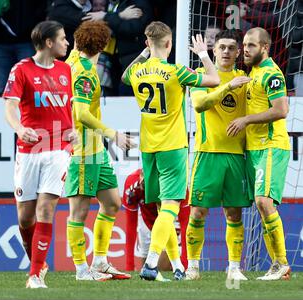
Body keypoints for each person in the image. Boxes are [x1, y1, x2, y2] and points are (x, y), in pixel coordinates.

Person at [122, 21, 220, 281]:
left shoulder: (137, 72)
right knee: (170, 206)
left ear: (146, 43)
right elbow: (214, 79)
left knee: (160, 208)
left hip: (148, 148)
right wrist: (202, 54)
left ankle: (177, 266)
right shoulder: (177, 71)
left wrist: (144, 53)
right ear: (169, 44)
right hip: (173, 146)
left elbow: (124, 75)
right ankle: (152, 262)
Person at [3, 20, 75, 289]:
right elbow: (10, 107)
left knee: (47, 209)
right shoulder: (21, 70)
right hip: (29, 149)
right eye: (63, 38)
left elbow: (69, 109)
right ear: (48, 42)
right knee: (25, 217)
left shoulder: (66, 70)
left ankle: (35, 275)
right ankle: (38, 262)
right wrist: (20, 128)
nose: (66, 43)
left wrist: (74, 131)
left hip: (58, 148)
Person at [64, 20, 136, 281]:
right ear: (104, 45)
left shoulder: (73, 60)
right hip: (84, 150)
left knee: (111, 203)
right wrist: (113, 134)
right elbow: (82, 113)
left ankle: (101, 261)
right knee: (79, 212)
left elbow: (76, 45)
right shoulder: (84, 72)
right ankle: (82, 270)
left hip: (96, 150)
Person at [186, 29, 252, 281]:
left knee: (234, 213)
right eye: (221, 47)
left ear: (238, 53)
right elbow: (200, 105)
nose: (226, 52)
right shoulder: (201, 75)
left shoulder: (245, 79)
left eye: (231, 48)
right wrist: (227, 86)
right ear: (213, 50)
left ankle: (234, 268)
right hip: (207, 154)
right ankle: (193, 265)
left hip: (236, 156)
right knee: (198, 212)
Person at [227, 27, 291, 281]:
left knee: (264, 202)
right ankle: (278, 266)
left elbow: (281, 109)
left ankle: (281, 263)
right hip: (254, 149)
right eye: (244, 44)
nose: (245, 49)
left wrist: (246, 120)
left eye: (251, 45)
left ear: (265, 47)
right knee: (264, 205)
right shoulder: (252, 72)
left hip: (271, 144)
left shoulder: (272, 74)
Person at [123, 168, 189, 272]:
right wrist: (129, 266)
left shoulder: (176, 183)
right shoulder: (132, 185)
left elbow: (185, 222)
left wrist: (185, 263)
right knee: (146, 268)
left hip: (170, 219)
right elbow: (131, 224)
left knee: (163, 267)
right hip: (146, 220)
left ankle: (177, 266)